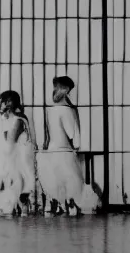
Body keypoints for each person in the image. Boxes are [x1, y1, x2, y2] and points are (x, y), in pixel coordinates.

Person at [37, 76, 100, 216]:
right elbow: (73, 133)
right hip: (64, 152)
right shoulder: (66, 110)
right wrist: (76, 145)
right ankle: (70, 208)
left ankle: (59, 207)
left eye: (56, 87)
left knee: (57, 184)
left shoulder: (51, 109)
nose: (54, 90)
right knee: (70, 184)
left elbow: (48, 135)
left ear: (63, 90)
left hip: (51, 152)